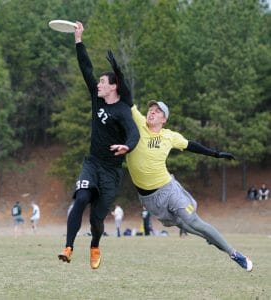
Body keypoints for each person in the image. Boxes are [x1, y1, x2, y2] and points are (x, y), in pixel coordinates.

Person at [106, 54, 253, 271]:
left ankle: (234, 253)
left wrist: (216, 153)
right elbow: (126, 96)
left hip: (168, 189)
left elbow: (191, 145)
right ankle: (212, 239)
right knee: (187, 226)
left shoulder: (169, 135)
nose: (152, 112)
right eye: (151, 110)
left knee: (193, 222)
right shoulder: (138, 124)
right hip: (148, 199)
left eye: (157, 111)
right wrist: (118, 73)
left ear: (164, 118)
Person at [58, 21, 139, 269]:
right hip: (92, 163)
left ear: (113, 86)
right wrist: (78, 40)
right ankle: (68, 247)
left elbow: (134, 133)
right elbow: (86, 67)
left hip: (112, 172)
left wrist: (127, 147)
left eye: (103, 82)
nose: (98, 85)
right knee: (81, 197)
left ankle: (94, 245)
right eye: (99, 82)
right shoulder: (97, 99)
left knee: (96, 219)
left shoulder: (123, 110)